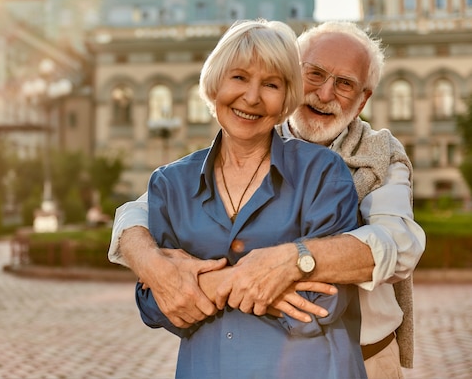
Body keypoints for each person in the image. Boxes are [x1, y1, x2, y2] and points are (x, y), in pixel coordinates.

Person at [108, 21, 426, 379]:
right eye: (315, 74)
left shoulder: (377, 155)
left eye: (344, 84)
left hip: (362, 354)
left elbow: (398, 245)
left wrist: (289, 262)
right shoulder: (236, 138)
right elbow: (139, 212)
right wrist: (153, 264)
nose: (324, 94)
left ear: (363, 99)